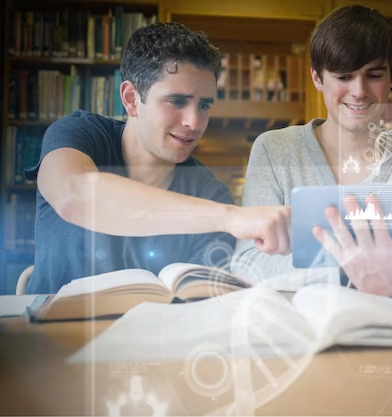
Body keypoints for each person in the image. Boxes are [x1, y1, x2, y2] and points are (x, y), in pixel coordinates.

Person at [24, 22, 290, 294]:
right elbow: (74, 196)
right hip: (49, 332)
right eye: (176, 101)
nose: (194, 122)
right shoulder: (78, 135)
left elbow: (200, 302)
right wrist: (230, 217)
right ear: (131, 98)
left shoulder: (210, 192)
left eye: (204, 105)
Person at [231, 5, 392, 297]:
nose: (359, 91)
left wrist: (308, 268)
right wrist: (353, 272)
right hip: (294, 332)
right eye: (343, 76)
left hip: (384, 332)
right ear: (317, 78)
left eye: (374, 75)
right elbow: (246, 262)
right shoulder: (273, 151)